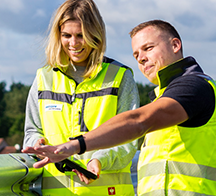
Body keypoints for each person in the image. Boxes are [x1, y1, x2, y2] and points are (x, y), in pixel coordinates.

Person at [23, 19, 216, 196]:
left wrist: (75, 146)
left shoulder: (194, 87)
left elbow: (138, 122)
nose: (141, 58)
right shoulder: (164, 94)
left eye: (148, 48)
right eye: (136, 54)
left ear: (175, 45)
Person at [22, 0, 139, 195]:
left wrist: (98, 160)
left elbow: (129, 139)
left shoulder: (119, 77)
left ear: (95, 35)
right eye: (66, 35)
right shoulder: (43, 78)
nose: (73, 43)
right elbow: (31, 131)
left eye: (81, 36)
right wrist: (38, 144)